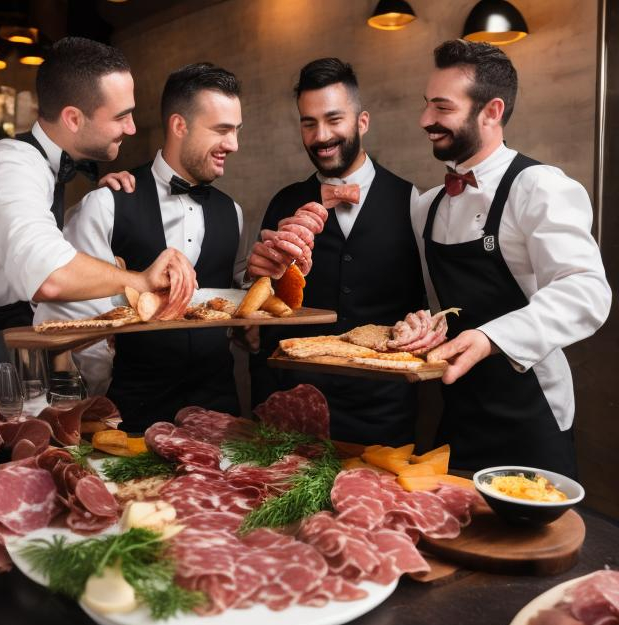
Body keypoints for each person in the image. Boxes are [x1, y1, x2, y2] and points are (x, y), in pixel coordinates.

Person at [408, 39, 611, 477]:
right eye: (426, 105)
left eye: (442, 107)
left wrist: (489, 338)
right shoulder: (427, 206)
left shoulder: (539, 187)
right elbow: (439, 304)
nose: (425, 119)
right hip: (457, 411)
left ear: (492, 111)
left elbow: (587, 291)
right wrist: (422, 324)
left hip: (530, 414)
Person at [0, 37, 194, 404]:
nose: (130, 128)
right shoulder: (10, 165)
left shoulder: (51, 169)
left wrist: (91, 203)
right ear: (73, 118)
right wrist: (139, 281)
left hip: (18, 344)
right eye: (120, 116)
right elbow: (47, 275)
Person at [35, 63, 247, 430]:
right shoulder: (106, 203)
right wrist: (101, 397)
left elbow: (234, 307)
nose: (233, 144)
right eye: (222, 130)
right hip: (132, 417)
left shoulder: (235, 212)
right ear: (179, 126)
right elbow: (75, 320)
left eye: (236, 131)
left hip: (221, 417)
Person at [247, 58, 425, 446]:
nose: (321, 135)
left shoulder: (413, 201)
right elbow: (258, 303)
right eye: (308, 123)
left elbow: (428, 299)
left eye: (333, 119)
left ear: (362, 122)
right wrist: (256, 276)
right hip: (292, 405)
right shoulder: (283, 203)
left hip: (383, 410)